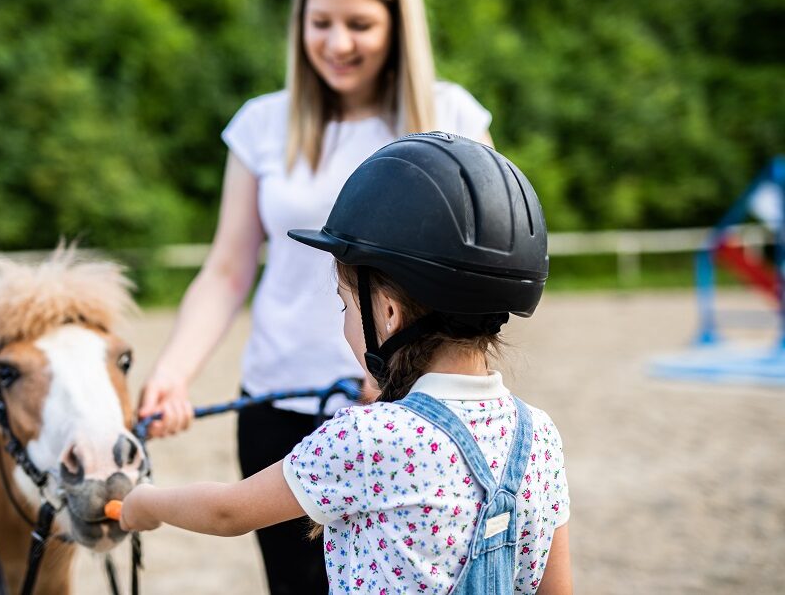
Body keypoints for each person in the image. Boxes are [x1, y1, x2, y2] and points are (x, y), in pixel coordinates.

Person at [137, 0, 494, 591]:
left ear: (398, 24)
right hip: (279, 404)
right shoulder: (261, 125)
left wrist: (401, 373)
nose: (337, 43)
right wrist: (173, 373)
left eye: (359, 23)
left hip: (411, 411)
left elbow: (477, 269)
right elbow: (227, 268)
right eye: (320, 22)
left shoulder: (451, 116)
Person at [122, 134, 572, 594]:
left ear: (390, 314)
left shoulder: (366, 438)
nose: (344, 324)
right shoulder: (539, 435)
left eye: (345, 306)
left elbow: (227, 511)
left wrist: (145, 504)